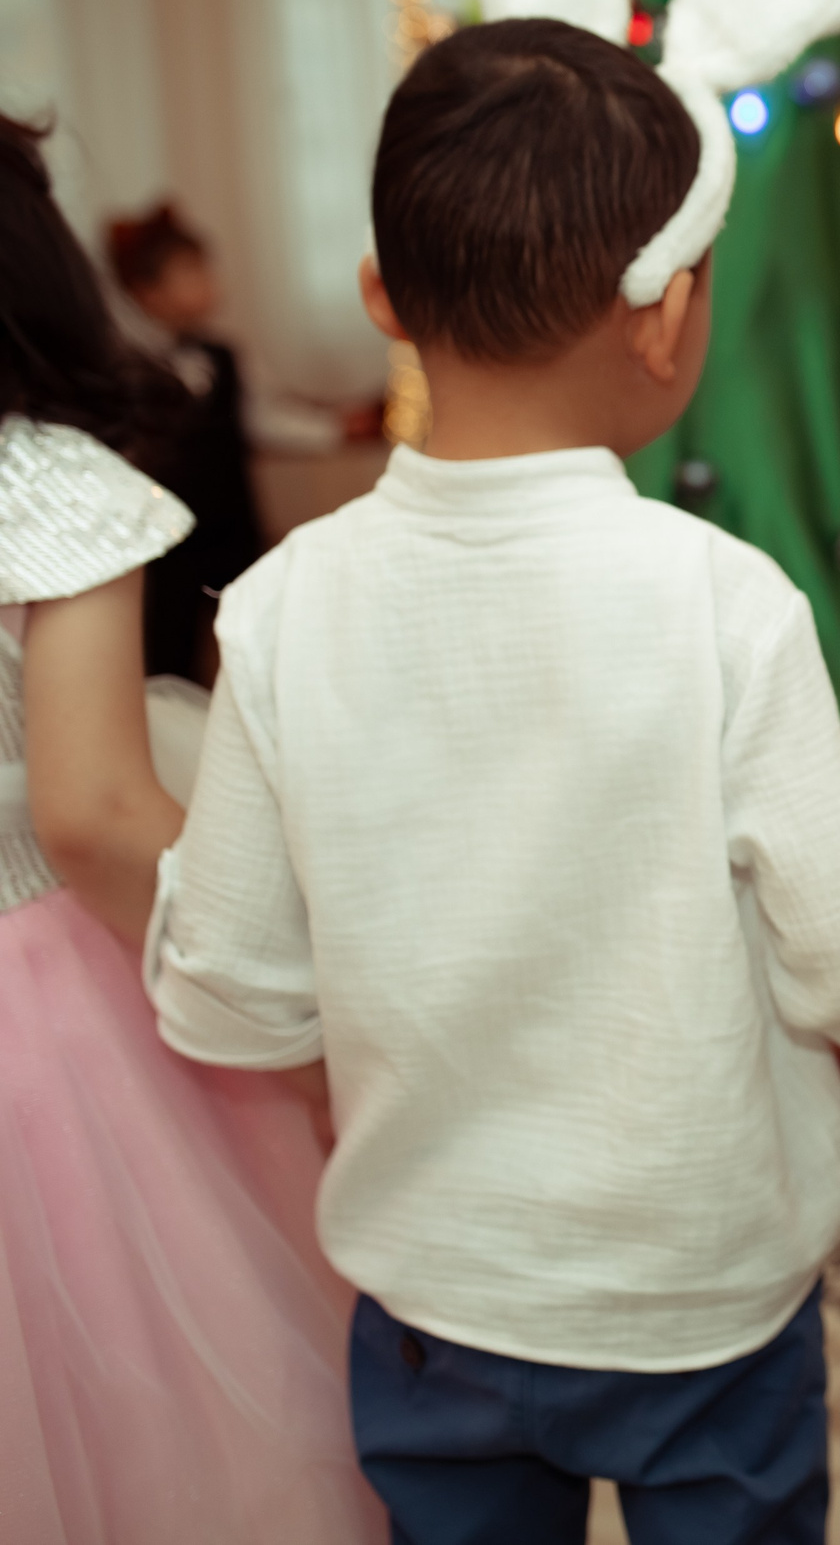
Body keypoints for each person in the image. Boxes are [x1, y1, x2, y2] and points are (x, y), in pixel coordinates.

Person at [144, 0, 840, 1540]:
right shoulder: (720, 601)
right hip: (703, 1284)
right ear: (672, 323)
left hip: (435, 1291)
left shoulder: (284, 610)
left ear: (385, 300)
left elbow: (226, 983)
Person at [0, 114, 381, 1542]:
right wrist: (288, 957)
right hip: (44, 1008)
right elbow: (93, 811)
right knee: (170, 1392)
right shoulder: (35, 476)